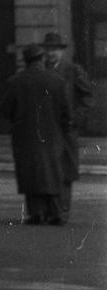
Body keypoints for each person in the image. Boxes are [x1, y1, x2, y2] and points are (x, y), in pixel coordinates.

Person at [0, 43, 74, 226]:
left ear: (25, 61)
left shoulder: (15, 81)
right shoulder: (57, 81)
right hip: (53, 135)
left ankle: (36, 213)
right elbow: (67, 113)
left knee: (30, 173)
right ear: (41, 59)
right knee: (53, 172)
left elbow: (5, 110)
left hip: (25, 135)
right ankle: (56, 212)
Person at [42, 30, 94, 222]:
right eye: (48, 49)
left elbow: (87, 97)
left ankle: (62, 210)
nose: (51, 53)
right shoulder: (41, 71)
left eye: (55, 49)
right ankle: (50, 210)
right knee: (48, 168)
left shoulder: (73, 71)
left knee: (66, 168)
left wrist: (76, 118)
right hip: (47, 129)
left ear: (62, 52)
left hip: (66, 129)